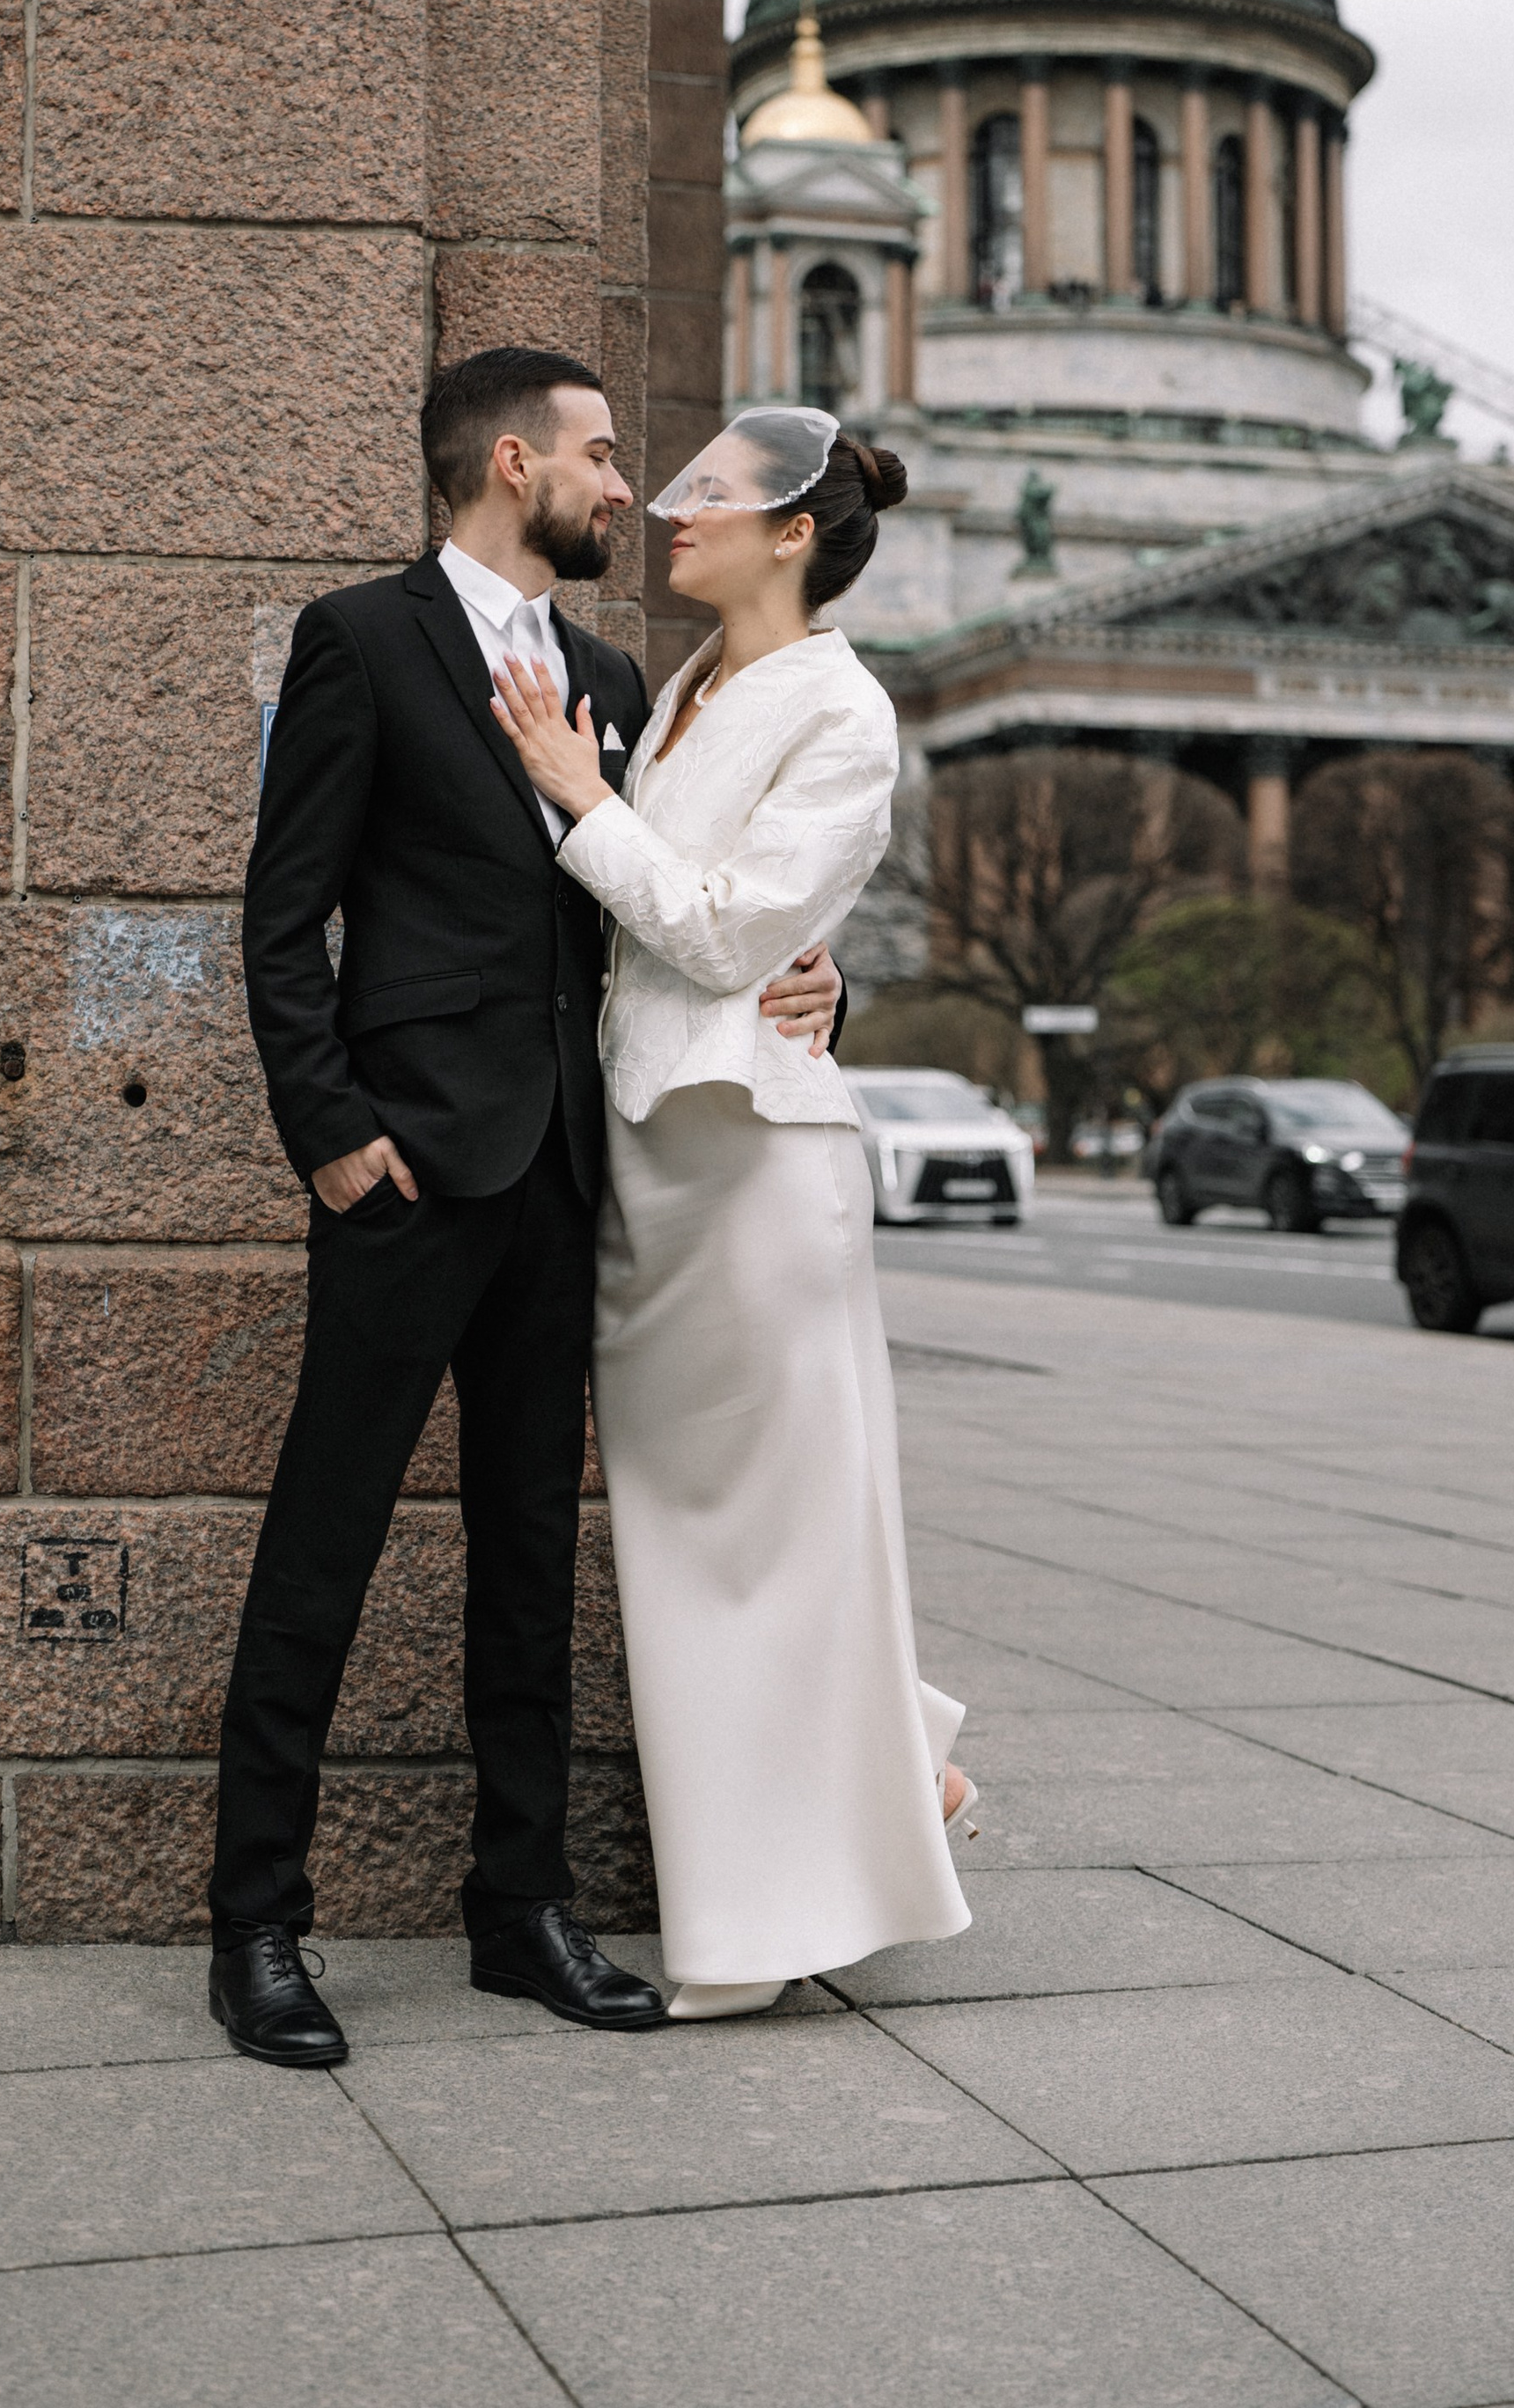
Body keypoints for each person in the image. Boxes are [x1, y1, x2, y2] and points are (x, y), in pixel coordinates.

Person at [209, 348, 842, 2067]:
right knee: (323, 1544)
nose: (626, 488)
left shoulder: (617, 678)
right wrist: (330, 1133)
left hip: (569, 1174)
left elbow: (677, 907)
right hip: (408, 1171)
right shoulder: (362, 641)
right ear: (509, 464)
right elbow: (284, 917)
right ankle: (256, 1926)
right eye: (602, 456)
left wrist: (814, 979)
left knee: (525, 1559)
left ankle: (520, 1911)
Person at [489, 406, 974, 2018]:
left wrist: (577, 791)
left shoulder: (846, 708)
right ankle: (898, 1766)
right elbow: (711, 943)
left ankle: (759, 1930)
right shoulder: (690, 683)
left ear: (793, 538)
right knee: (725, 1540)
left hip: (758, 1177)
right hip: (657, 1170)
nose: (674, 510)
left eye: (715, 496)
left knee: (754, 1551)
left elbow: (716, 932)